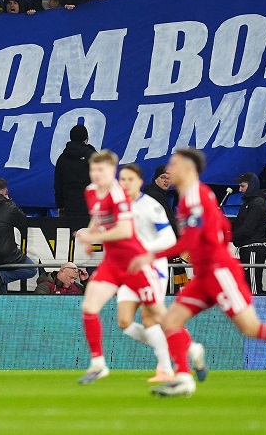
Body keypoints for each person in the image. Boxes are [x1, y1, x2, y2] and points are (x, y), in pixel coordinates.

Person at [131, 148, 266, 398]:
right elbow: (224, 229)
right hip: (204, 275)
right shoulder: (188, 198)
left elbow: (188, 241)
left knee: (251, 328)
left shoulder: (195, 197)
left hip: (219, 274)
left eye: (175, 163)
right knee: (171, 321)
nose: (170, 168)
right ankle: (183, 378)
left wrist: (151, 255)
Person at [72, 151, 175, 385]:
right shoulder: (90, 191)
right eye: (93, 170)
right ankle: (98, 364)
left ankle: (184, 352)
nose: (96, 175)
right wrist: (90, 235)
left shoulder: (119, 195)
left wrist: (96, 237)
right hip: (112, 263)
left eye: (102, 171)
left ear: (112, 172)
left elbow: (125, 231)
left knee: (157, 316)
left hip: (135, 263)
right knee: (90, 306)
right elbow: (97, 217)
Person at [115, 163, 191, 382]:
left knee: (151, 319)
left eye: (130, 179)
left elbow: (168, 238)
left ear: (139, 182)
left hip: (152, 268)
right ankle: (185, 345)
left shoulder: (152, 204)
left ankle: (167, 368)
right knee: (124, 323)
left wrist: (144, 251)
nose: (126, 183)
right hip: (131, 270)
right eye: (123, 179)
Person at [231, 171, 266, 293]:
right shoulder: (248, 204)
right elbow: (239, 225)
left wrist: (229, 236)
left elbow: (247, 228)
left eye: (243, 186)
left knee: (253, 286)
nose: (240, 190)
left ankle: (255, 311)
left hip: (253, 249)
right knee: (247, 284)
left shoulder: (257, 203)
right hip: (247, 249)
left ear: (251, 185)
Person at [54, 124, 95, 217]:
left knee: (73, 231)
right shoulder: (92, 156)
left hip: (70, 206)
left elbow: (58, 185)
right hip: (90, 206)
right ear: (86, 139)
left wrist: (60, 205)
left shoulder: (62, 158)